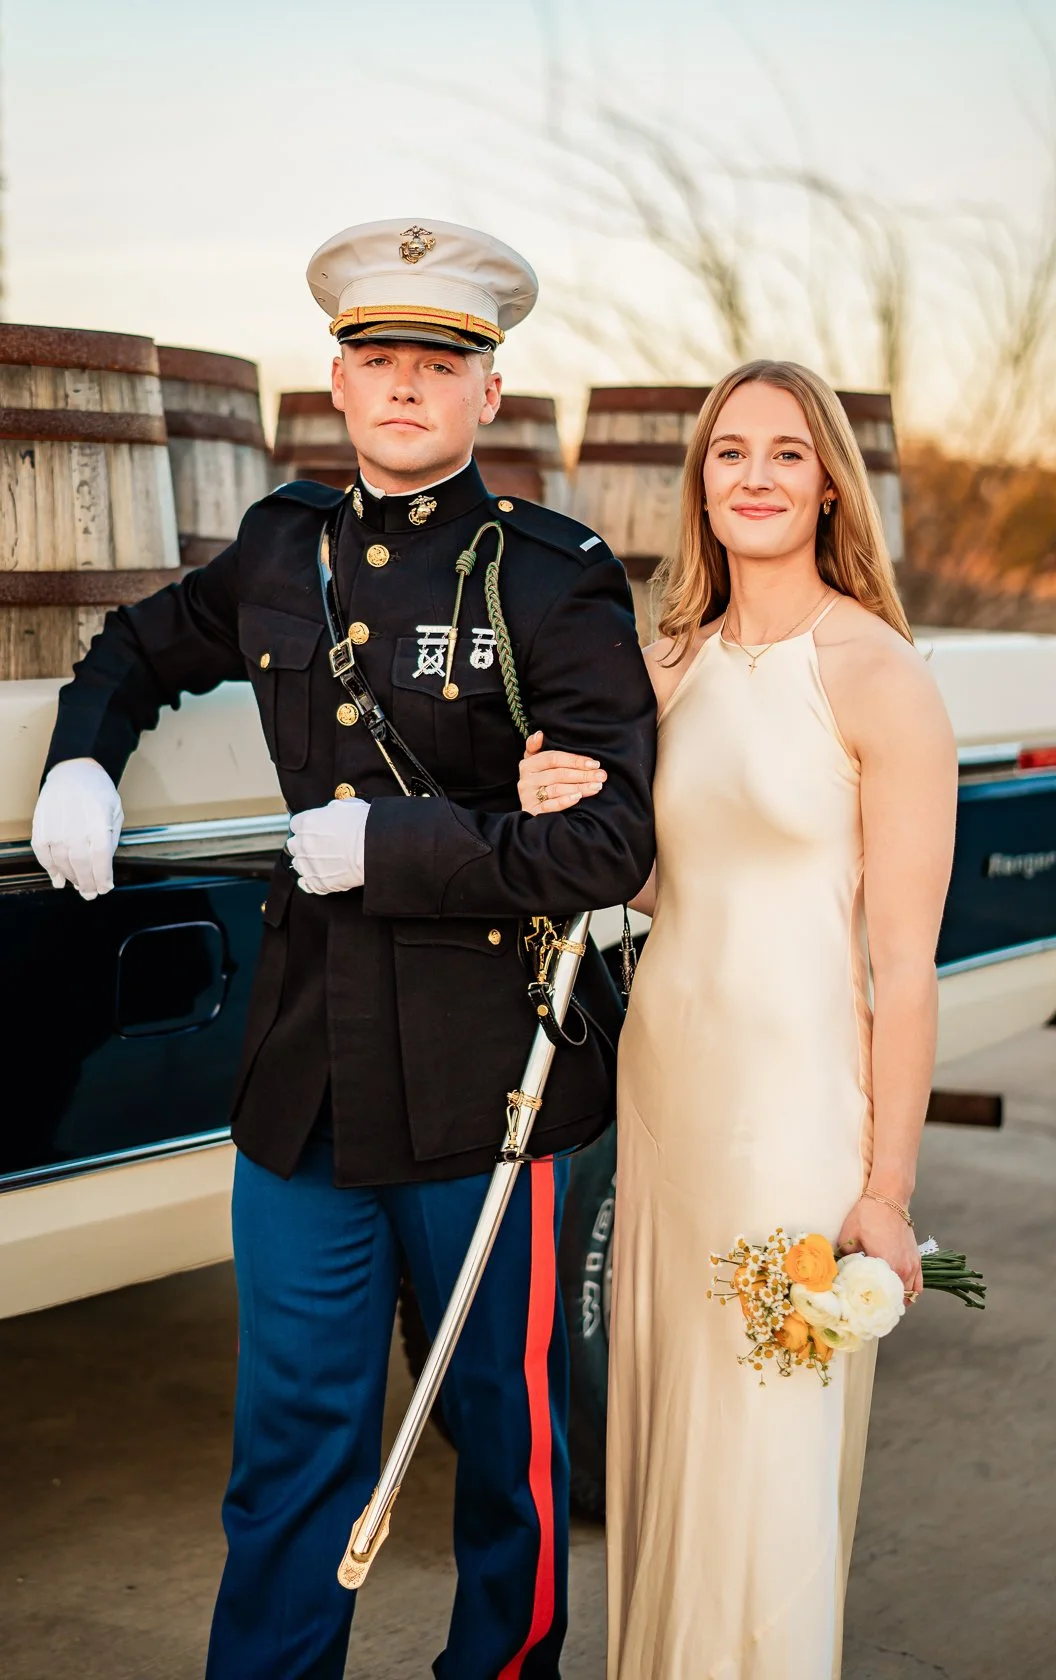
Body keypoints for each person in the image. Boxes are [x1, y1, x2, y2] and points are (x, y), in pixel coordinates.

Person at [30, 218, 657, 1680]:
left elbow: (614, 844)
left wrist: (399, 848)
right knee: (293, 1451)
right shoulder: (278, 546)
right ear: (337, 376)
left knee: (509, 1453)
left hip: (493, 1093)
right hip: (302, 1089)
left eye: (439, 363)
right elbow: (130, 649)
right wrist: (84, 757)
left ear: (488, 390)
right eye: (379, 359)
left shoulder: (556, 579)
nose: (404, 387)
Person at [517, 360, 957, 1678]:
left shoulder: (877, 673)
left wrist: (888, 1188)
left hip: (795, 1107)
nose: (754, 476)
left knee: (767, 1451)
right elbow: (658, 878)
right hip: (670, 1092)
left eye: (784, 453)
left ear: (830, 483)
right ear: (699, 483)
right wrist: (559, 797)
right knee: (671, 1441)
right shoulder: (669, 665)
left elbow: (909, 964)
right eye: (728, 454)